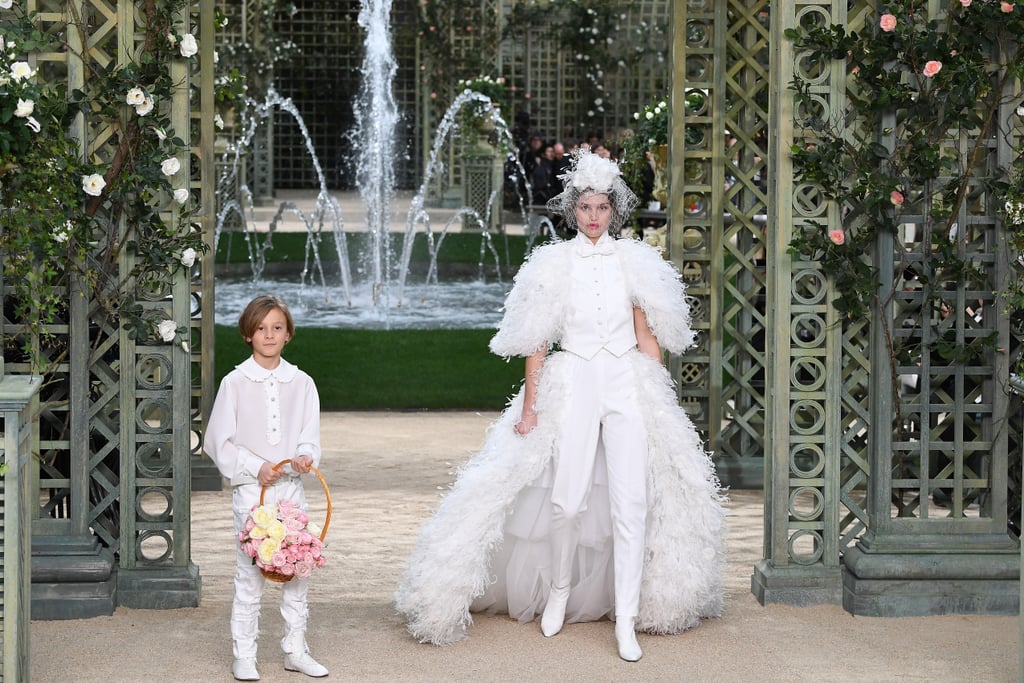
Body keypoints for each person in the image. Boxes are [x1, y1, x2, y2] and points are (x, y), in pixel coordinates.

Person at [395, 150, 726, 662]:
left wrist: (661, 400)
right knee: (565, 501)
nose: (595, 216)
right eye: (586, 207)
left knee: (631, 501)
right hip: (572, 378)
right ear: (573, 211)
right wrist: (530, 408)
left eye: (603, 207)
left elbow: (646, 336)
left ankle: (629, 618)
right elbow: (537, 344)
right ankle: (560, 589)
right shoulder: (553, 263)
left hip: (624, 378)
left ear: (614, 210)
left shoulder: (634, 261)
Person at [203, 295, 329, 681]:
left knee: (296, 569)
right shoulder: (235, 383)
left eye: (277, 327)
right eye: (261, 328)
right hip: (251, 493)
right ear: (247, 334)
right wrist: (256, 467)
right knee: (250, 573)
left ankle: (295, 648)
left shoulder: (302, 383)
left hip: (292, 491)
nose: (269, 334)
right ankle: (245, 653)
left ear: (288, 334)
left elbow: (309, 435)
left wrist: (305, 456)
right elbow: (218, 442)